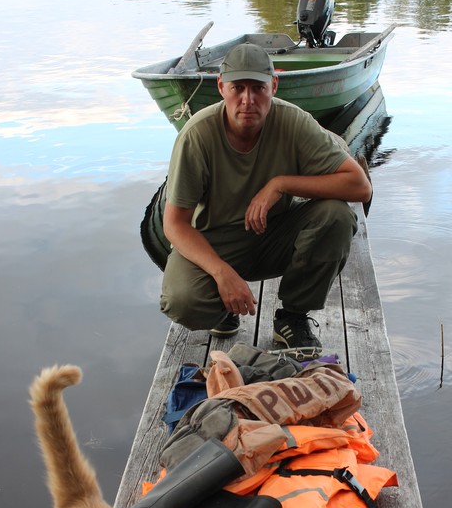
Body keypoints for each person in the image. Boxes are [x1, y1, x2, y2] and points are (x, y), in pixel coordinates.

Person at [159, 42, 372, 351]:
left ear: (273, 85)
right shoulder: (197, 135)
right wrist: (222, 273)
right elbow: (175, 225)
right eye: (238, 88)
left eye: (258, 88)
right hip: (215, 240)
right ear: (221, 86)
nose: (248, 100)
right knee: (182, 302)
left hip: (274, 234)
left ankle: (292, 317)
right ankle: (222, 310)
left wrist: (281, 184)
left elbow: (359, 186)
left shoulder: (293, 121)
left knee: (336, 217)